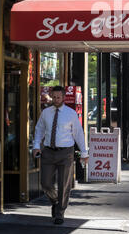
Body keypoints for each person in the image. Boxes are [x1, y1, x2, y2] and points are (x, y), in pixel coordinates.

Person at [33, 85, 89, 225]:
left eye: (59, 97)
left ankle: (60, 213)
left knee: (64, 185)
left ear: (64, 97)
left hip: (66, 153)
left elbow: (78, 134)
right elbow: (39, 129)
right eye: (54, 97)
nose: (56, 99)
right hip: (48, 151)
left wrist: (84, 153)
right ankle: (55, 201)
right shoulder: (46, 113)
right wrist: (35, 146)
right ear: (51, 96)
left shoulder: (70, 113)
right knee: (45, 183)